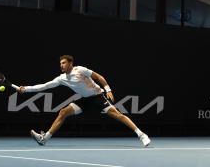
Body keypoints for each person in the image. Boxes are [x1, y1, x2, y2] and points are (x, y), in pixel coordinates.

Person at [16, 54, 150, 147]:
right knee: (63, 112)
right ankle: (44, 139)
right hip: (85, 100)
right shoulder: (61, 78)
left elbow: (99, 77)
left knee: (117, 115)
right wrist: (26, 89)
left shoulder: (80, 70)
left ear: (70, 63)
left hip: (97, 97)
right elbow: (44, 86)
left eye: (64, 63)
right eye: (60, 63)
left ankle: (141, 134)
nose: (61, 65)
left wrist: (108, 90)